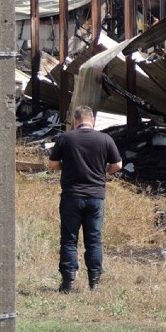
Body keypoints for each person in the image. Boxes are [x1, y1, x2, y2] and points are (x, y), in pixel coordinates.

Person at [48, 105, 122, 293]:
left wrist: (67, 167)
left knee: (69, 240)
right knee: (94, 240)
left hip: (72, 196)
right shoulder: (105, 139)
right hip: (96, 197)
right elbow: (118, 165)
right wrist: (103, 171)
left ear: (75, 121)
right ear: (92, 121)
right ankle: (94, 283)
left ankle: (68, 283)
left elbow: (52, 164)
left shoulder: (65, 138)